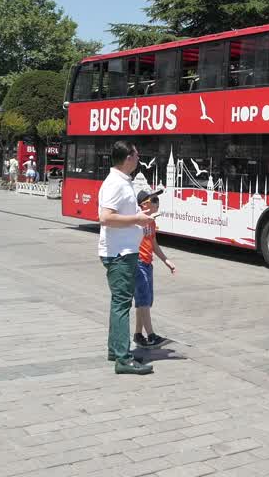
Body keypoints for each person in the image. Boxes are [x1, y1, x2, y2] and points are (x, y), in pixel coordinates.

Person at [97, 141, 154, 375]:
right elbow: (105, 217)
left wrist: (137, 216)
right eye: (137, 154)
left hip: (122, 251)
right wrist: (138, 220)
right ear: (128, 158)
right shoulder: (115, 184)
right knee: (122, 304)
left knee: (118, 302)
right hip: (120, 254)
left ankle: (115, 349)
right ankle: (123, 358)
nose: (139, 158)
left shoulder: (121, 182)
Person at [133, 188, 175, 349]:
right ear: (144, 205)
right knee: (144, 299)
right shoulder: (137, 220)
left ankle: (138, 334)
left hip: (147, 263)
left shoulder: (151, 222)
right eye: (154, 200)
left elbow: (154, 243)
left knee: (145, 301)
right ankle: (151, 336)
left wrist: (166, 260)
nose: (158, 203)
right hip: (138, 263)